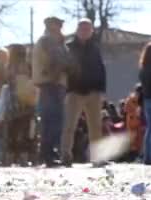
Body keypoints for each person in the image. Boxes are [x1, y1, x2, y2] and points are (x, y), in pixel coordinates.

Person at [61, 19, 106, 167]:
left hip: (94, 92)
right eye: (82, 28)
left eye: (88, 29)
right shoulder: (69, 47)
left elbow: (101, 69)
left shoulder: (95, 48)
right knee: (69, 125)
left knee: (95, 127)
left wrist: (101, 89)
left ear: (92, 31)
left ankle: (97, 157)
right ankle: (66, 155)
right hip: (75, 91)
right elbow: (65, 68)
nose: (85, 31)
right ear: (77, 30)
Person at [32, 16, 70, 167]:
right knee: (54, 121)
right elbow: (58, 61)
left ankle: (47, 153)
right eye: (58, 24)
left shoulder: (48, 40)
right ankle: (49, 154)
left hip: (49, 83)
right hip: (52, 83)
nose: (61, 27)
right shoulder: (50, 41)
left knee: (49, 121)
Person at [2, 44, 37, 166]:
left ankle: (9, 158)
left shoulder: (9, 67)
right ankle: (24, 157)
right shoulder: (28, 66)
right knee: (25, 132)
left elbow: (8, 83)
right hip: (26, 104)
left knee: (11, 131)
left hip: (12, 105)